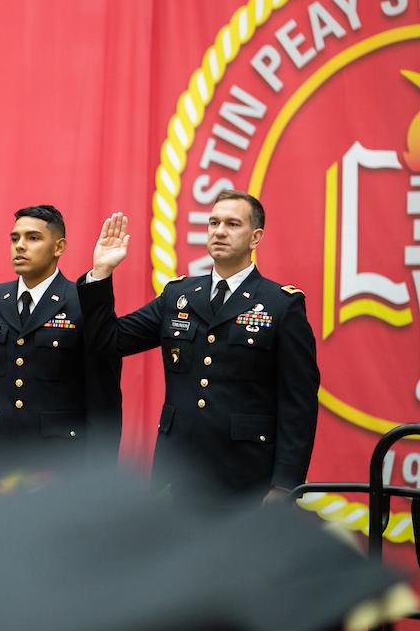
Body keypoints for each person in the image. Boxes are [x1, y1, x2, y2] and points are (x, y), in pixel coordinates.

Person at [88, 190, 320, 503]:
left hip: (246, 475)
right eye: (214, 223)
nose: (220, 231)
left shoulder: (281, 304)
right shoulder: (178, 295)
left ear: (256, 237)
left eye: (233, 224)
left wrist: (284, 485)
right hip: (178, 472)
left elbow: (299, 402)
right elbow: (108, 341)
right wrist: (101, 273)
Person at [0, 208, 124, 482]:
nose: (20, 246)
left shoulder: (82, 303)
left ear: (59, 247)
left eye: (33, 238)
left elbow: (103, 397)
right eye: (15, 238)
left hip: (59, 461)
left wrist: (101, 471)